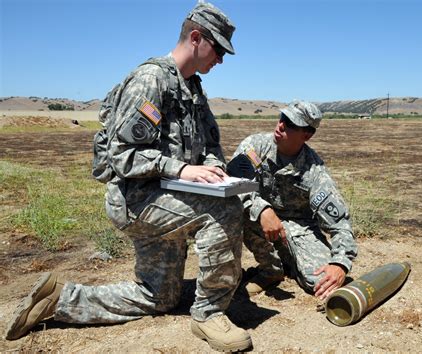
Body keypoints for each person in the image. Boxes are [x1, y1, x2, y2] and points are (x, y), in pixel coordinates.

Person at [5, 2, 252, 352]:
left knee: (159, 297)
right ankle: (209, 314)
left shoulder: (193, 89)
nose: (222, 60)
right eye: (219, 50)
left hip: (169, 198)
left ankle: (58, 301)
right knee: (223, 213)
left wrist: (213, 168)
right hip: (137, 200)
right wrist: (181, 169)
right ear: (196, 38)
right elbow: (123, 155)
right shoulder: (150, 80)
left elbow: (211, 144)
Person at [233, 100, 358, 300]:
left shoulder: (314, 171)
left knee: (320, 283)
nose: (281, 125)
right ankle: (270, 270)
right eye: (282, 118)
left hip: (300, 230)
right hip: (257, 221)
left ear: (307, 135)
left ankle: (288, 261)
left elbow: (340, 225)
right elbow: (235, 183)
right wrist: (262, 209)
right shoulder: (255, 147)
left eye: (290, 124)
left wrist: (340, 263)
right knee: (233, 208)